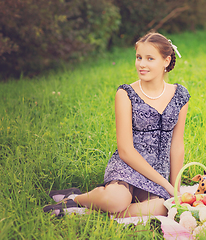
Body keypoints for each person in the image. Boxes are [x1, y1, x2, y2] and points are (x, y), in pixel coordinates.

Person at [44, 32, 190, 217]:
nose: (141, 64)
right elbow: (125, 151)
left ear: (166, 61)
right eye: (139, 57)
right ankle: (76, 199)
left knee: (165, 208)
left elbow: (177, 145)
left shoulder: (180, 96)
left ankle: (91, 213)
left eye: (149, 58)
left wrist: (175, 189)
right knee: (116, 200)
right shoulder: (126, 93)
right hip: (128, 167)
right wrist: (165, 184)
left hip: (159, 171)